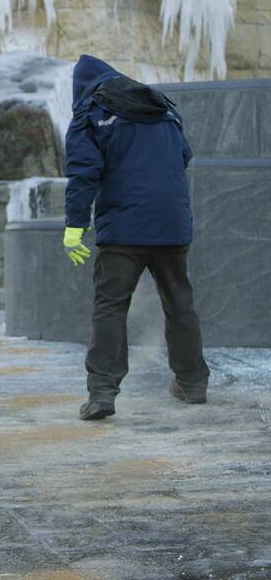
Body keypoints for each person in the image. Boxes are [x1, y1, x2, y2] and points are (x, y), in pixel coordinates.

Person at [63, 54, 209, 422]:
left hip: (124, 230)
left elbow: (84, 173)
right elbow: (184, 156)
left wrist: (74, 227)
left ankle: (101, 393)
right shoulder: (160, 106)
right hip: (172, 223)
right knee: (179, 301)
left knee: (110, 305)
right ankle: (193, 383)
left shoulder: (92, 111)